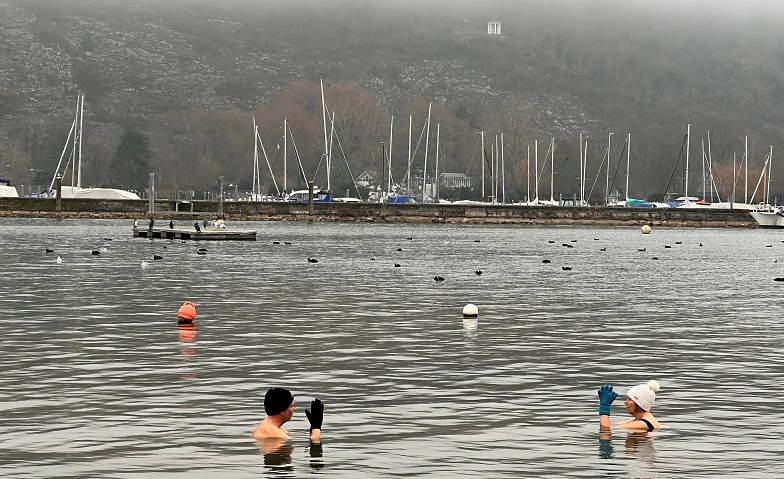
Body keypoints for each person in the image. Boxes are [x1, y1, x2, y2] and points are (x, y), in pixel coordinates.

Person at [252, 388, 323, 443]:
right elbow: (315, 443)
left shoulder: (274, 428)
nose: (294, 409)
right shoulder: (271, 431)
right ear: (282, 410)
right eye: (291, 406)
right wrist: (316, 427)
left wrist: (313, 429)